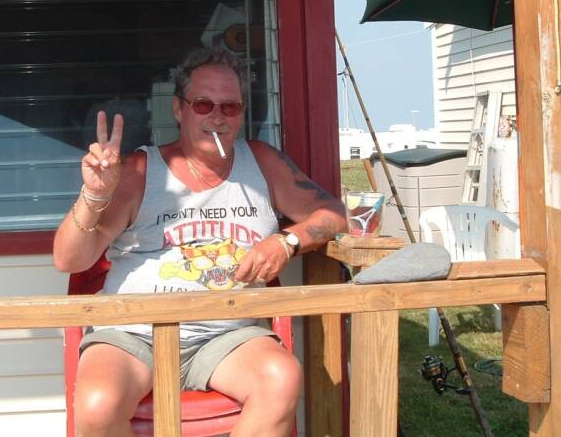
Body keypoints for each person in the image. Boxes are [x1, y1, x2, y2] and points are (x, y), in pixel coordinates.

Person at [54, 47, 346, 437]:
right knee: (97, 405)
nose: (217, 117)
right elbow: (69, 259)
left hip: (228, 336)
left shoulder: (261, 162)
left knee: (281, 379)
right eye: (204, 104)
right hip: (132, 333)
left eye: (230, 107)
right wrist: (93, 195)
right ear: (179, 109)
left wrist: (286, 242)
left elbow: (333, 214)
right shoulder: (140, 170)